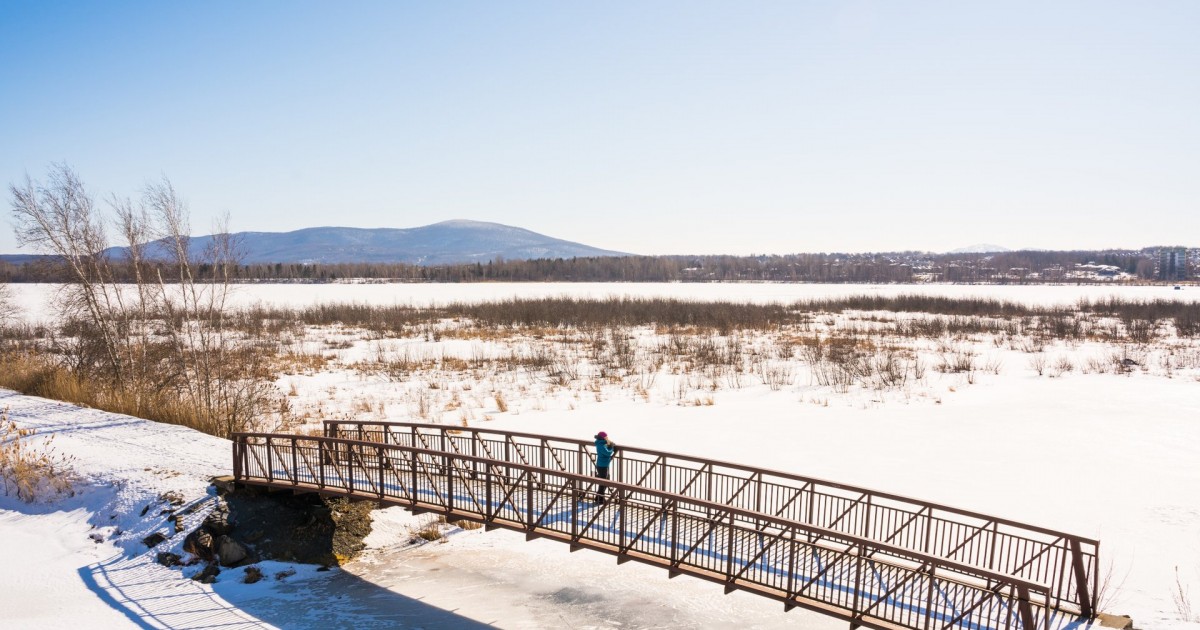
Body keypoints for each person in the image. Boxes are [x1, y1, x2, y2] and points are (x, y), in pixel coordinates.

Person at [593, 431, 617, 502]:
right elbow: (607, 453)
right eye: (606, 437)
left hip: (603, 464)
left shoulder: (601, 443)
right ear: (603, 437)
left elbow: (606, 448)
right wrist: (612, 447)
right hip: (602, 466)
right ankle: (600, 498)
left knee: (605, 481)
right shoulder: (601, 445)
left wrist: (610, 445)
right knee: (603, 482)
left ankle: (598, 497)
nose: (607, 438)